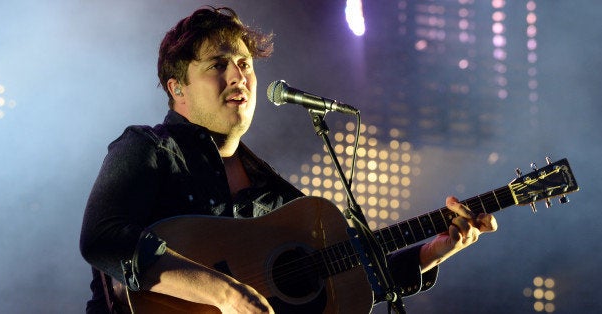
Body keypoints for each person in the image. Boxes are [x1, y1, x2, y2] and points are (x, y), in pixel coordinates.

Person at [79, 6, 497, 314]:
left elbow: (349, 274)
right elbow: (102, 238)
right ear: (178, 88)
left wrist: (435, 249)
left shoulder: (272, 192)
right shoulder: (147, 148)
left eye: (244, 64)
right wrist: (224, 293)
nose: (237, 76)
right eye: (217, 65)